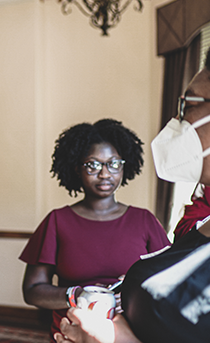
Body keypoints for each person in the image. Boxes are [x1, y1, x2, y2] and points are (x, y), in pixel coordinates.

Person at [55, 47, 210, 343]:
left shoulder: (142, 219)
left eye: (188, 105)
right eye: (93, 165)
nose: (178, 120)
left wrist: (113, 339)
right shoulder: (201, 228)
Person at [19, 119, 170, 342]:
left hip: (132, 333)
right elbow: (32, 291)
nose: (105, 174)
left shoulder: (144, 220)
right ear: (76, 168)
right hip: (71, 332)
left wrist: (131, 294)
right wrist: (76, 295)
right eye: (93, 165)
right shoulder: (58, 221)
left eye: (114, 164)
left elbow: (169, 280)